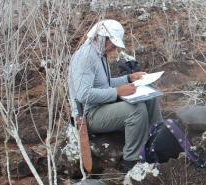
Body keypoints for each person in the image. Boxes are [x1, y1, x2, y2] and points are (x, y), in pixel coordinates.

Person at [69, 20, 163, 172]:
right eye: (112, 43)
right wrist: (117, 92)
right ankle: (131, 162)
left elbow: (104, 84)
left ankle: (157, 138)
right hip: (89, 115)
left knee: (149, 94)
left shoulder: (99, 54)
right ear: (101, 37)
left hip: (102, 105)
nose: (114, 47)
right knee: (136, 110)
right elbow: (83, 95)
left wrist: (129, 78)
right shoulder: (85, 57)